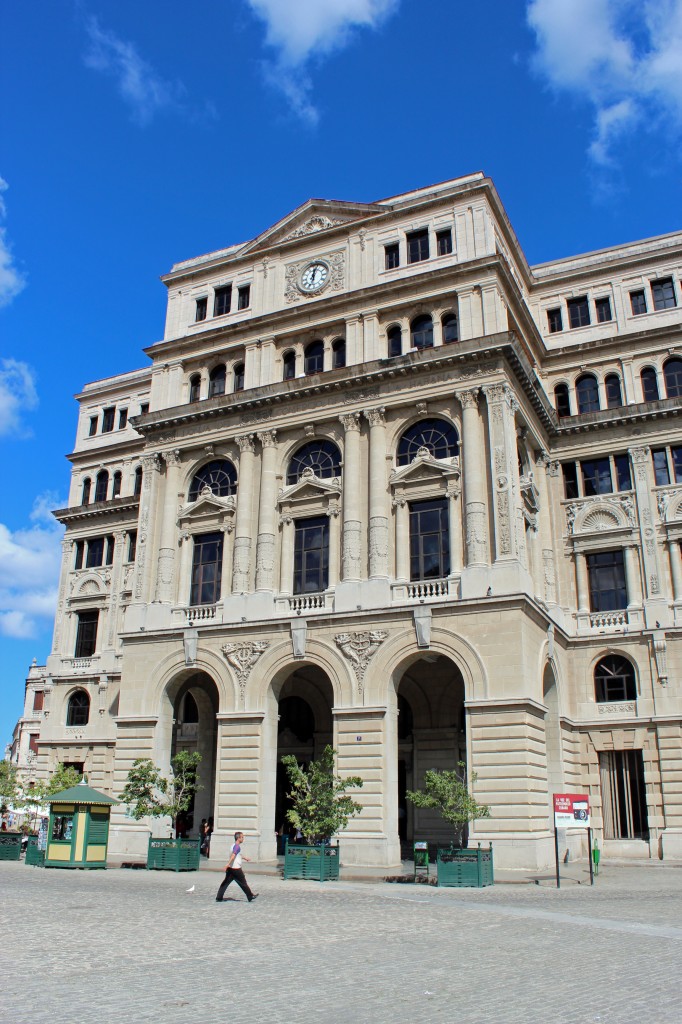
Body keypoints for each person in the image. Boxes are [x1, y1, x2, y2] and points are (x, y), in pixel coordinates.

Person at [215, 832, 258, 903]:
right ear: (238, 838)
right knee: (243, 883)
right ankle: (250, 896)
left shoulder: (233, 845)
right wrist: (227, 864)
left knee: (225, 883)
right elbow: (233, 855)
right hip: (236, 869)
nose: (243, 838)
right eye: (242, 837)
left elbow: (238, 854)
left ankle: (219, 897)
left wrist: (245, 858)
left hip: (231, 869)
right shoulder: (237, 846)